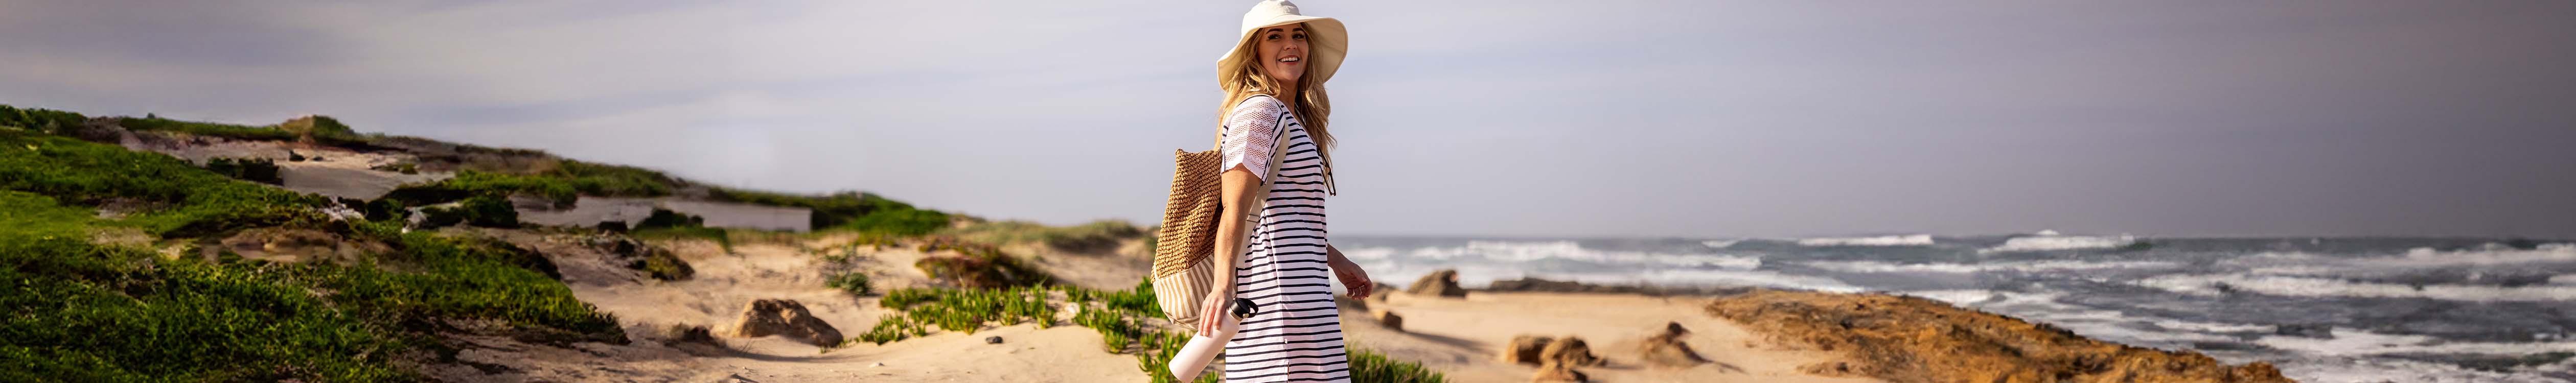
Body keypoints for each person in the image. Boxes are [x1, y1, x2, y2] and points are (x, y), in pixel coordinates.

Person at [1166, 1, 1374, 381]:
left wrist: (1335, 260)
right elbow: (1236, 206)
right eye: (1274, 36)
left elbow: (1283, 213)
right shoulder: (1260, 112)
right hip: (1277, 298)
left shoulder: (1290, 116)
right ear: (1255, 52)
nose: (1289, 44)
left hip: (1305, 292)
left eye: (1298, 35)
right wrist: (1222, 286)